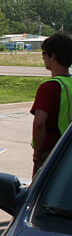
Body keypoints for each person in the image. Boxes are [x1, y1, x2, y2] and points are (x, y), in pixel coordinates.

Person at [30, 32, 72, 177]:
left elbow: (40, 123)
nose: (42, 57)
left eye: (44, 53)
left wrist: (37, 155)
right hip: (68, 151)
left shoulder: (49, 87)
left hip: (52, 154)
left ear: (52, 56)